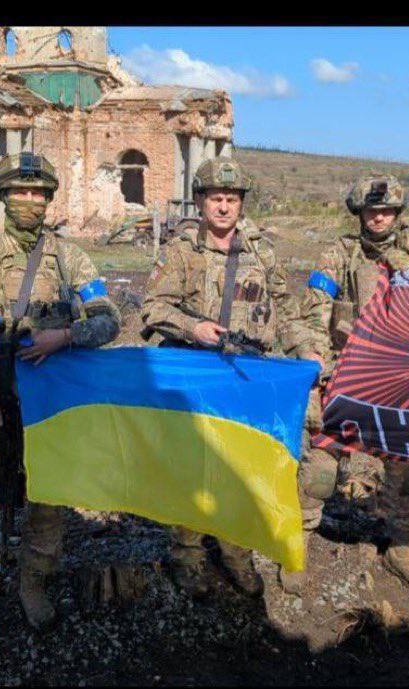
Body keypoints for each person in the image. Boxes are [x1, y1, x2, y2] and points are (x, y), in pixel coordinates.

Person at [0, 152, 120, 650]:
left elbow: (109, 318)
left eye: (39, 193)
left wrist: (65, 336)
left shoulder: (69, 258)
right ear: (2, 196)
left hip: (49, 407)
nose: (31, 201)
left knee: (47, 506)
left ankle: (33, 585)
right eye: (21, 191)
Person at [141, 156, 312, 599]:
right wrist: (191, 328)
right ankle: (189, 556)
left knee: (242, 467)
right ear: (200, 201)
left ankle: (236, 551)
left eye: (231, 199)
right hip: (198, 376)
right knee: (194, 469)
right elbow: (153, 308)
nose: (223, 207)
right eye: (216, 198)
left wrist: (303, 353)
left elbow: (286, 311)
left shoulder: (261, 251)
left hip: (247, 377)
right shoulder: (181, 251)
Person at [289, 174, 409, 600]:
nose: (379, 218)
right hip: (347, 371)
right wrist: (316, 355)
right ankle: (297, 539)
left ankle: (403, 548)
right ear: (359, 213)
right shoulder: (338, 254)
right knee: (321, 462)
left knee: (405, 468)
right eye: (372, 211)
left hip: (398, 376)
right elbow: (314, 313)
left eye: (387, 211)